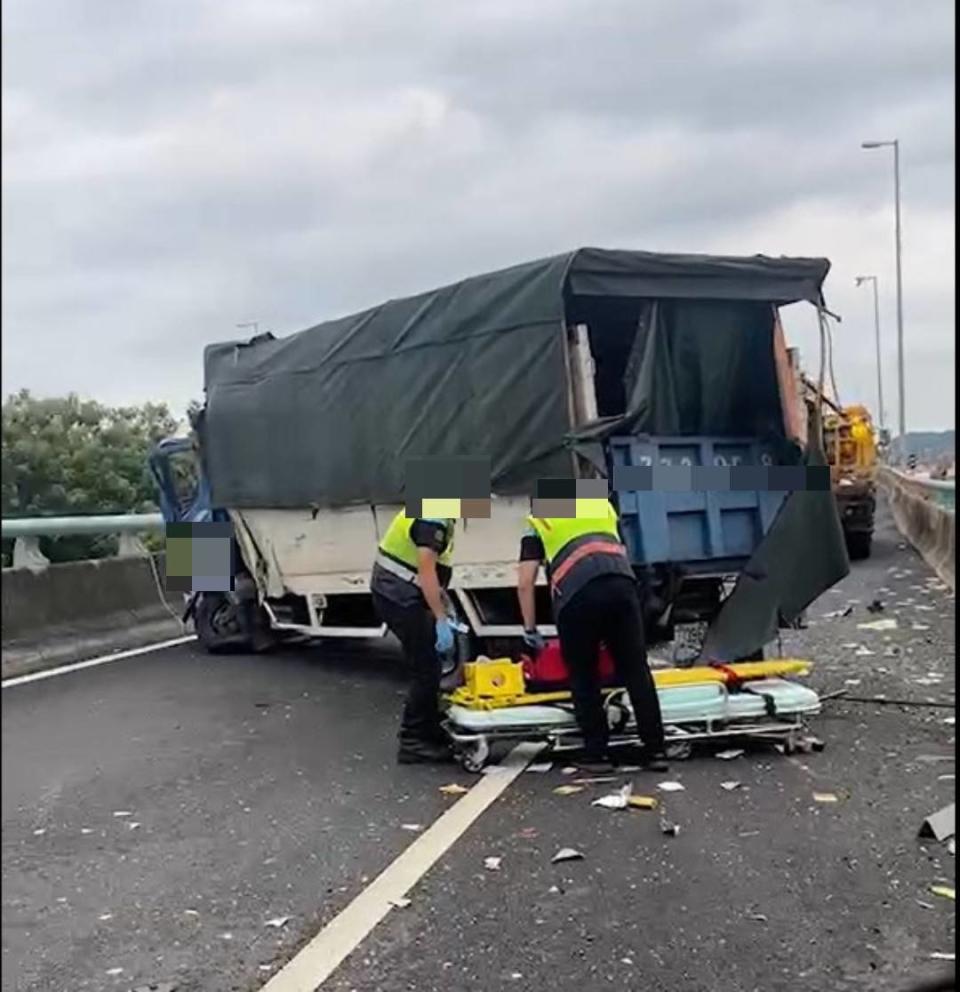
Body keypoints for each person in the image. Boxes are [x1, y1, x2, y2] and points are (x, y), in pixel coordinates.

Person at [516, 495, 667, 770]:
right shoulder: (601, 504)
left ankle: (596, 753)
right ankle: (656, 751)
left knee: (584, 672)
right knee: (636, 669)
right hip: (622, 584)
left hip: (577, 592)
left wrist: (530, 629)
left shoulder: (540, 514)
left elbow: (525, 581)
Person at [371, 511, 459, 764]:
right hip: (399, 593)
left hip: (400, 590)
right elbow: (426, 570)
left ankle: (429, 732)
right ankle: (413, 741)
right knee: (426, 667)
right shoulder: (434, 515)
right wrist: (440, 619)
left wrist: (444, 609)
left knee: (428, 664)